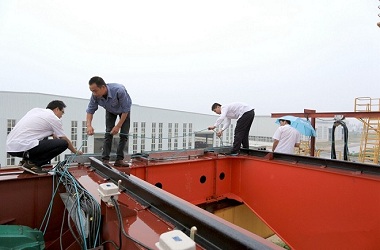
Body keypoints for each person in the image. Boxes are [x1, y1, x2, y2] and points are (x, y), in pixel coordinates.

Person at [6, 100, 82, 173]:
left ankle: (25, 161)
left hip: (11, 147)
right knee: (63, 143)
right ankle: (33, 164)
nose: (61, 116)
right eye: (62, 112)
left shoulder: (35, 111)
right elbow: (64, 139)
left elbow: (36, 129)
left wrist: (52, 134)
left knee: (44, 137)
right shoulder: (53, 118)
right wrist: (75, 151)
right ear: (57, 109)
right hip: (23, 147)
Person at [86, 76, 132, 167]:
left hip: (124, 112)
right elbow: (90, 110)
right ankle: (105, 160)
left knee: (124, 134)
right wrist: (89, 125)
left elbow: (125, 110)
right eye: (92, 91)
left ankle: (119, 159)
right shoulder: (95, 96)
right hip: (110, 110)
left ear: (103, 87)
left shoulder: (119, 90)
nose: (94, 93)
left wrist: (118, 126)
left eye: (95, 90)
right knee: (109, 132)